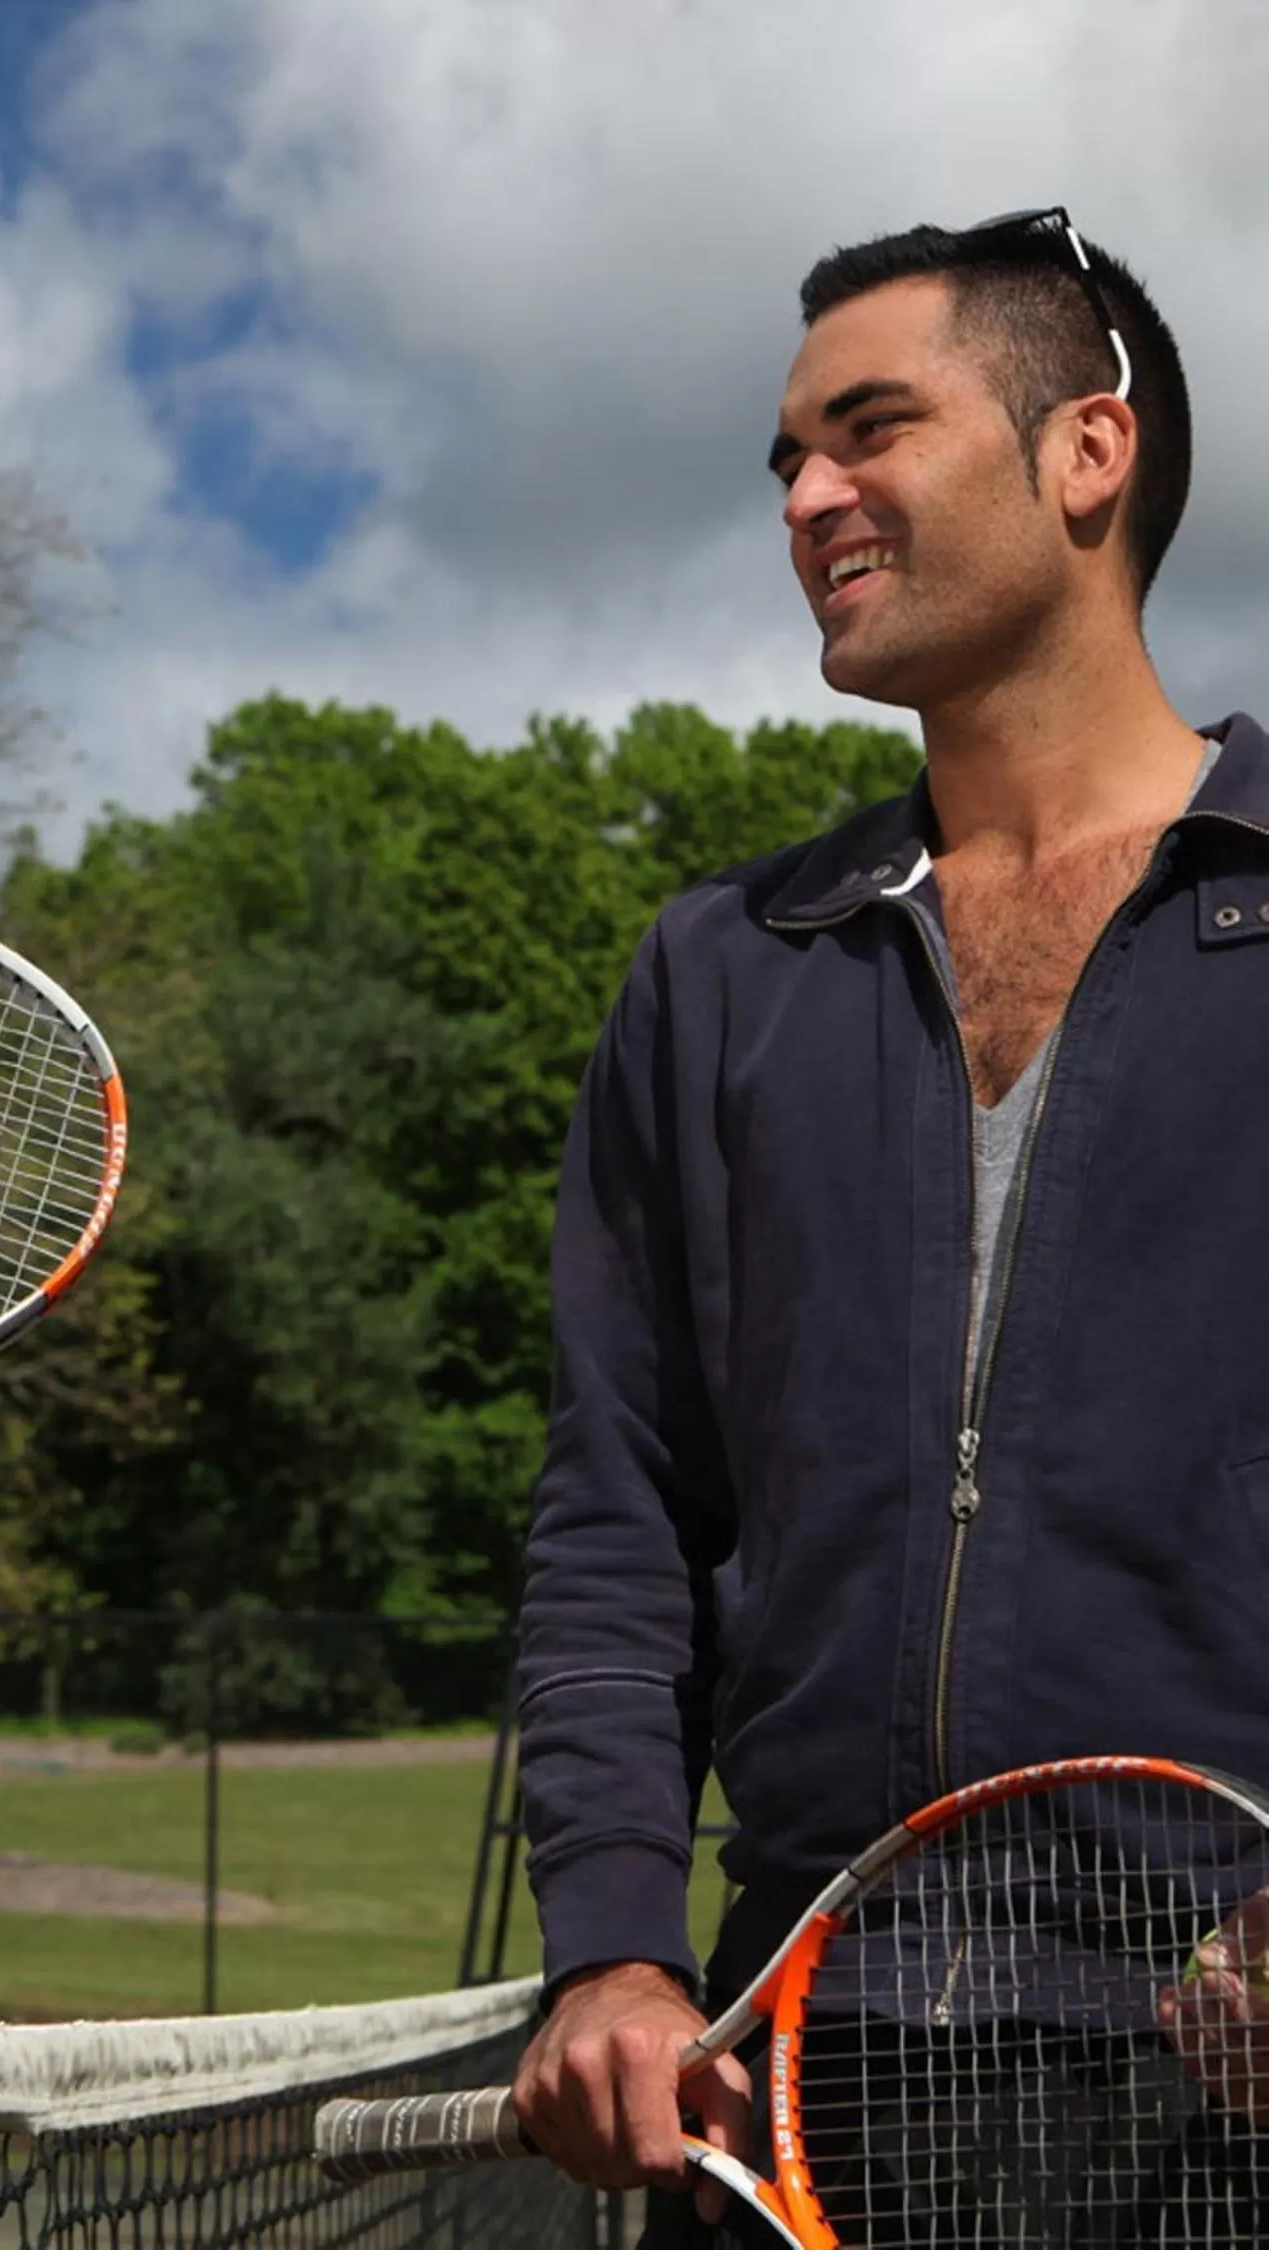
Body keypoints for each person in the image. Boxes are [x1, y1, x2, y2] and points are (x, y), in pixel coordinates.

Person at [507, 207, 1266, 2239]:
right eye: (784, 463)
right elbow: (620, 1513)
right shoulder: (718, 974)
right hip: (787, 2066)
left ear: (1087, 452)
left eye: (869, 430)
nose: (807, 498)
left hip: (1230, 2065)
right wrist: (610, 1947)